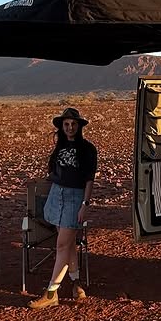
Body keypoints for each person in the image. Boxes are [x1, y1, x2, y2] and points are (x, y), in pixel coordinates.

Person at [30, 107, 98, 309]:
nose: (70, 127)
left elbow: (89, 179)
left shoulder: (88, 149)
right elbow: (57, 172)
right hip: (56, 195)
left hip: (75, 198)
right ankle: (76, 283)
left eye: (73, 124)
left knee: (61, 245)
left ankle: (52, 292)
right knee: (68, 246)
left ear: (79, 126)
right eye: (66, 124)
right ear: (62, 127)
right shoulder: (59, 146)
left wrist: (85, 204)